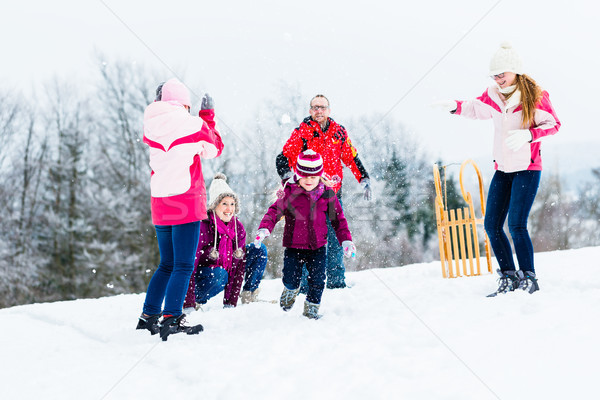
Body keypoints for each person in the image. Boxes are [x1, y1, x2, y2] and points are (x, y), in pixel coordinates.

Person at [432, 42, 561, 296]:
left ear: (515, 70)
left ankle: (529, 278)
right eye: (494, 74)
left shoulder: (535, 96)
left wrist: (529, 135)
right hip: (503, 168)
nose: (498, 79)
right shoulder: (492, 95)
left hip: (528, 167)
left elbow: (554, 124)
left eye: (501, 73)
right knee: (491, 225)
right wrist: (454, 106)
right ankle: (509, 277)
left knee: (517, 225)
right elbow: (474, 108)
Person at [136, 78, 223, 341]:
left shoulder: (151, 125)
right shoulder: (193, 124)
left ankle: (148, 316)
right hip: (185, 200)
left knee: (167, 264)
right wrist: (207, 117)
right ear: (185, 102)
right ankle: (172, 318)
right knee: (183, 266)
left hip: (161, 203)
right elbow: (215, 148)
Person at [275, 94, 370, 289]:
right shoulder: (302, 133)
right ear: (310, 111)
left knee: (335, 241)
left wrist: (364, 179)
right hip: (306, 198)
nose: (319, 111)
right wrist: (287, 180)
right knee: (306, 242)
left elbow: (352, 158)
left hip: (331, 195)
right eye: (315, 107)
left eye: (323, 107)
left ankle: (336, 284)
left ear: (329, 110)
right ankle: (302, 286)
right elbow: (282, 158)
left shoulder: (339, 133)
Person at [254, 150, 356, 319]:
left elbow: (338, 220)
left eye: (313, 177)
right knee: (290, 275)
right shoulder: (289, 193)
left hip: (318, 247)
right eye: (305, 176)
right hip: (294, 245)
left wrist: (345, 240)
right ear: (298, 175)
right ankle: (290, 289)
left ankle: (312, 307)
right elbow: (274, 212)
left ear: (319, 176)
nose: (309, 180)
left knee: (317, 280)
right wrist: (265, 228)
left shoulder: (327, 195)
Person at [182, 174, 268, 311]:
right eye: (224, 204)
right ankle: (197, 299)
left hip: (224, 268)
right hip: (203, 275)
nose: (229, 209)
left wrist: (230, 303)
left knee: (259, 249)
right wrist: (188, 303)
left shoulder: (237, 228)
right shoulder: (202, 227)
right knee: (219, 274)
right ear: (214, 206)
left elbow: (237, 267)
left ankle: (249, 293)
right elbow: (189, 266)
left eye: (232, 204)